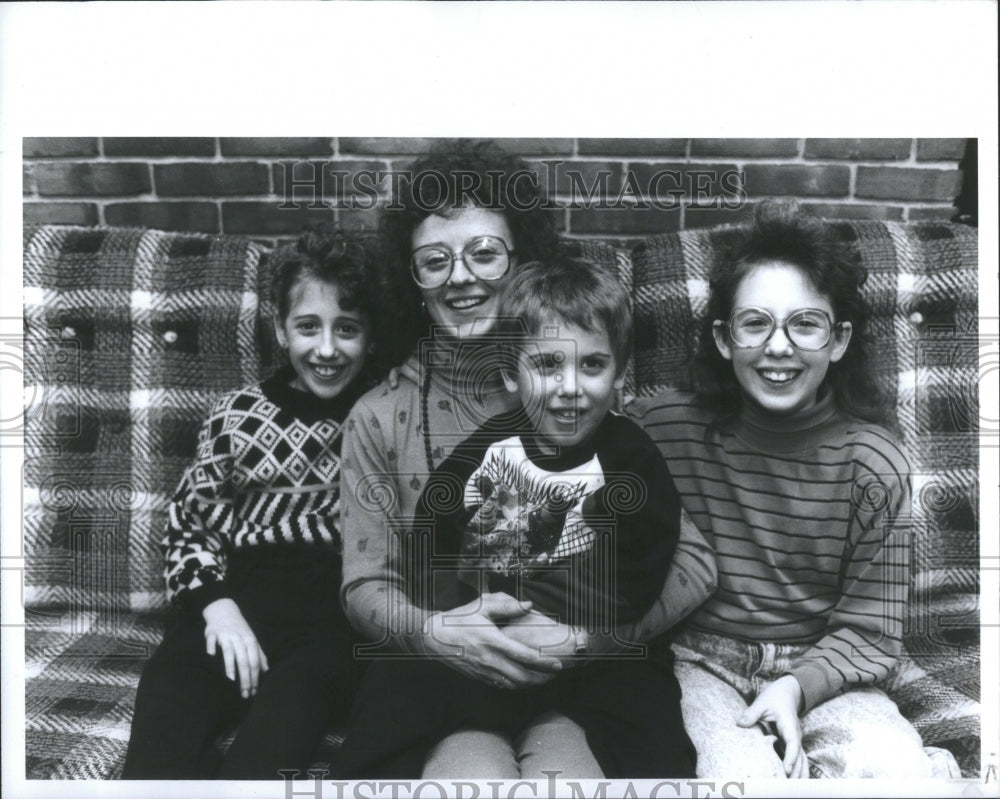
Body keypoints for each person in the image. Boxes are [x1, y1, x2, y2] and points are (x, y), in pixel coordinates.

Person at [339, 139, 716, 778]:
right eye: (434, 260)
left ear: (522, 261)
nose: (460, 277)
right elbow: (363, 584)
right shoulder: (377, 417)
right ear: (413, 278)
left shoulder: (574, 385)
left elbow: (695, 563)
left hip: (588, 675)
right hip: (446, 679)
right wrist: (439, 635)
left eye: (484, 253)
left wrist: (581, 641)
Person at [628, 201, 934, 778]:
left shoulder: (874, 463)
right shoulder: (657, 430)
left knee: (891, 771)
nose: (778, 346)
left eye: (805, 323)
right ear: (723, 338)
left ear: (839, 340)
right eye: (755, 322)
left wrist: (796, 689)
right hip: (698, 663)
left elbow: (871, 631)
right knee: (732, 777)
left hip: (822, 666)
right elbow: (564, 431)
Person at [122, 226, 385, 779]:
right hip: (240, 598)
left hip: (329, 621)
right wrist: (217, 606)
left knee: (284, 726)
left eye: (348, 329)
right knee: (170, 688)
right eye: (308, 327)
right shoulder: (238, 415)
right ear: (280, 329)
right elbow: (190, 525)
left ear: (371, 336)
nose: (328, 349)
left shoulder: (385, 415)